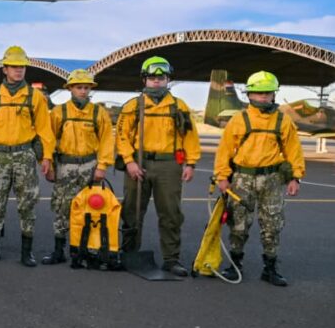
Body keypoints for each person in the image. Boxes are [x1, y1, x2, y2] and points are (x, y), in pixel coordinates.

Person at [213, 71, 304, 286]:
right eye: (258, 93)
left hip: (272, 179)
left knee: (272, 224)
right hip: (242, 179)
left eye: (267, 93)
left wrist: (295, 177)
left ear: (274, 94)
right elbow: (224, 150)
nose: (263, 97)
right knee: (238, 224)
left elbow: (294, 150)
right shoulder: (239, 120)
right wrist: (222, 177)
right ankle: (235, 265)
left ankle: (270, 269)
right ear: (250, 95)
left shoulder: (284, 121)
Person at [116, 56, 201, 277]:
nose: (157, 82)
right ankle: (129, 253)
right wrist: (129, 161)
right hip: (139, 164)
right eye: (152, 78)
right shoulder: (133, 106)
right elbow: (122, 137)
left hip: (169, 165)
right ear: (144, 79)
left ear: (168, 79)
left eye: (161, 78)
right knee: (132, 211)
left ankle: (171, 259)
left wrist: (190, 163)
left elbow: (190, 136)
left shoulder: (178, 106)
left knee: (171, 214)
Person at [0, 46, 55, 266]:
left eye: (22, 67)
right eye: (14, 67)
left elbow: (45, 130)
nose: (19, 70)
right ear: (5, 69)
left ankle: (27, 252)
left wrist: (46, 157)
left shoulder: (35, 97)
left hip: (24, 155)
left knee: (27, 205)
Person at [42, 69, 114, 265]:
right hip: (65, 166)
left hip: (90, 165)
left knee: (91, 208)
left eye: (86, 88)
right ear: (70, 89)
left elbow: (107, 140)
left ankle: (84, 249)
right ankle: (59, 250)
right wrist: (48, 163)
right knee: (62, 207)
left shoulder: (99, 113)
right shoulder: (59, 112)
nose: (83, 91)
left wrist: (102, 166)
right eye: (78, 87)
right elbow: (48, 139)